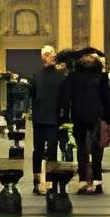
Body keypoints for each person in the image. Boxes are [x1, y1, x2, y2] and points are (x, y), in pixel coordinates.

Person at [62, 45, 110, 194]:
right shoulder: (101, 77)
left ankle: (83, 180)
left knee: (81, 149)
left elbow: (67, 97)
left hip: (79, 115)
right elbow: (106, 98)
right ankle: (97, 181)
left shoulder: (73, 77)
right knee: (97, 149)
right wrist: (109, 117)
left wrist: (65, 116)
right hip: (97, 115)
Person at [30, 47, 70, 193]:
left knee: (46, 151)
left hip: (47, 119)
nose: (52, 57)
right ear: (43, 57)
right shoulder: (58, 76)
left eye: (53, 55)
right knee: (43, 151)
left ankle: (50, 181)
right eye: (49, 55)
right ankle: (40, 181)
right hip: (46, 119)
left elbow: (33, 96)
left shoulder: (39, 75)